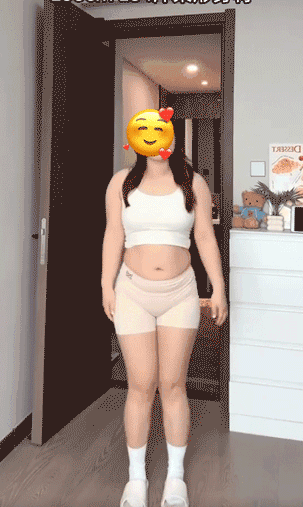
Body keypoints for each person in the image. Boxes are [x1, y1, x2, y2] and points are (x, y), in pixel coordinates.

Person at [101, 111, 228, 507]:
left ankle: (175, 478)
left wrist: (219, 287)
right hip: (133, 292)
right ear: (134, 139)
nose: (155, 139)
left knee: (173, 385)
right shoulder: (121, 183)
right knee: (141, 385)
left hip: (180, 293)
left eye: (162, 132)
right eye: (146, 131)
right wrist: (105, 284)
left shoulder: (193, 183)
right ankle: (135, 479)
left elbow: (204, 236)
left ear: (172, 138)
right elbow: (114, 234)